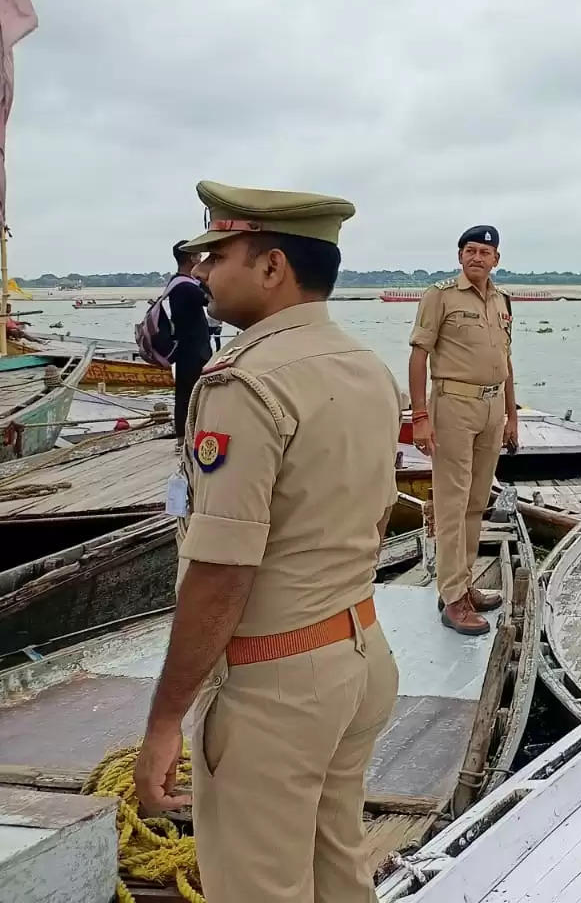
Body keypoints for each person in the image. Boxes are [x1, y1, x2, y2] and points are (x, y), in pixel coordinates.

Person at [131, 181, 402, 902]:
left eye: (218, 256)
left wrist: (163, 723)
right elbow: (379, 519)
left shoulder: (244, 383)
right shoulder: (366, 369)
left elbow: (221, 573)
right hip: (359, 652)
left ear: (272, 267)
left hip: (276, 683)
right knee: (337, 871)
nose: (204, 274)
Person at [408, 226, 519, 636]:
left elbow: (505, 362)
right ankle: (452, 598)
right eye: (470, 251)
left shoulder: (502, 300)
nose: (477, 257)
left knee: (475, 502)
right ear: (460, 257)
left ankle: (464, 583)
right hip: (453, 404)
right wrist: (420, 415)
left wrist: (512, 415)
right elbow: (419, 354)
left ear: (496, 259)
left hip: (492, 407)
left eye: (485, 252)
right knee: (452, 504)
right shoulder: (440, 296)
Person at [166, 241, 214, 437]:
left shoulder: (176, 282)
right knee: (195, 394)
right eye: (198, 255)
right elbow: (211, 297)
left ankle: (183, 436)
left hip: (186, 348)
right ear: (190, 258)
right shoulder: (186, 286)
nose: (201, 259)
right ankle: (187, 436)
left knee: (185, 393)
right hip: (194, 349)